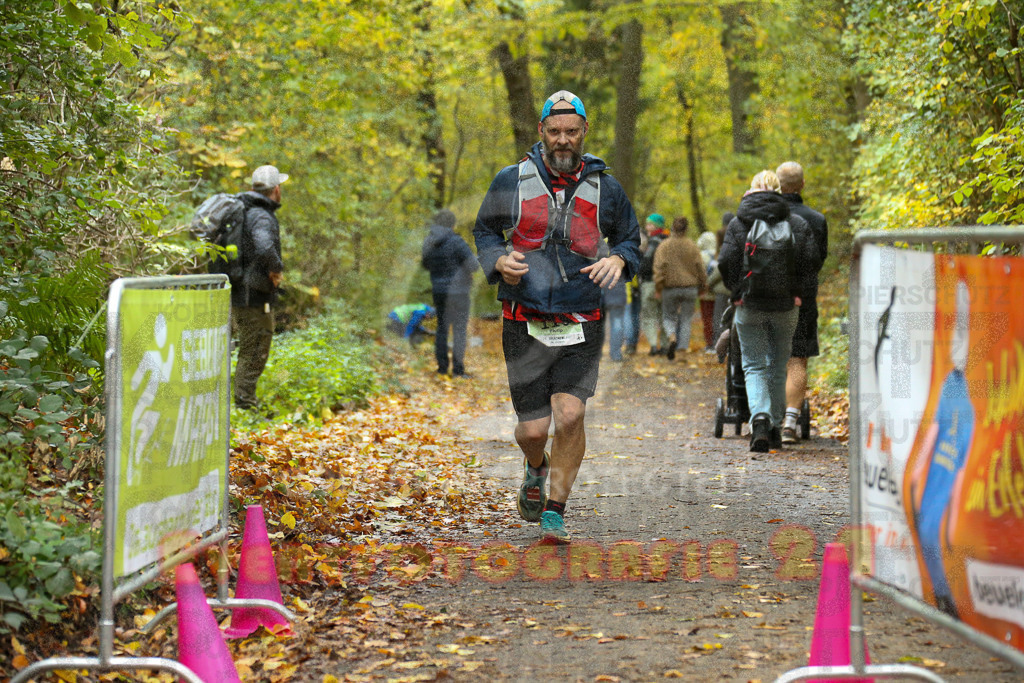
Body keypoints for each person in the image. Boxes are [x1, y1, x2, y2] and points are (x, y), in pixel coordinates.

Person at [473, 89, 641, 543]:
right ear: (541, 132)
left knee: (569, 416)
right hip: (523, 317)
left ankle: (555, 511)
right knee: (532, 430)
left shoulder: (607, 187)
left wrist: (619, 259)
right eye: (554, 132)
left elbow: (630, 238)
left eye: (571, 131)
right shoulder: (511, 179)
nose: (563, 140)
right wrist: (497, 260)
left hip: (581, 317)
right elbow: (485, 231)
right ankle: (536, 466)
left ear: (585, 131)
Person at [718, 170, 816, 453]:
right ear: (779, 191)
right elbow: (809, 263)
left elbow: (726, 261)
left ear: (751, 190)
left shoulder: (738, 223)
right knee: (778, 363)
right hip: (786, 306)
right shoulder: (796, 223)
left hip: (749, 305)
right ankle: (773, 424)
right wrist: (798, 294)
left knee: (753, 364)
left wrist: (737, 291)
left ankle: (759, 419)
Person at [776, 161, 829, 443]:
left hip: (765, 297)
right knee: (797, 358)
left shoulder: (763, 218)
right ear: (802, 185)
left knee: (769, 357)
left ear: (777, 185)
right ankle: (790, 422)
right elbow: (818, 261)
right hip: (803, 299)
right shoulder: (816, 220)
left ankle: (765, 416)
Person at [232, 164, 286, 411]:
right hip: (252, 295)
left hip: (241, 291)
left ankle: (245, 402)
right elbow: (264, 246)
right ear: (276, 189)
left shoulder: (246, 211)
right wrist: (276, 269)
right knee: (255, 349)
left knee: (251, 347)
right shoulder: (262, 215)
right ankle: (245, 406)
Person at [421, 208, 479, 377]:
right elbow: (474, 265)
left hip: (439, 291)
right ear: (452, 225)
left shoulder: (428, 242)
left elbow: (425, 264)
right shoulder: (456, 241)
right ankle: (458, 371)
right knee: (459, 330)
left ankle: (442, 368)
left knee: (442, 328)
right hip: (459, 292)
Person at [653, 216, 707, 360]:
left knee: (668, 317)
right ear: (686, 229)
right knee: (686, 319)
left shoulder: (664, 246)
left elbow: (658, 268)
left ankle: (672, 337)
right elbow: (700, 268)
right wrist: (703, 286)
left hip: (669, 288)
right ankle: (682, 351)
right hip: (690, 288)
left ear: (672, 227)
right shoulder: (692, 246)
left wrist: (658, 287)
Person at [638, 214, 670, 354]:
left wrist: (640, 271)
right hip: (666, 284)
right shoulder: (669, 241)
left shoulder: (653, 243)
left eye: (649, 224)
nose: (647, 227)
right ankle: (664, 345)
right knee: (664, 316)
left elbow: (646, 263)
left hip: (650, 283)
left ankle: (653, 345)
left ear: (657, 226)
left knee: (649, 316)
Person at [707, 213, 734, 347]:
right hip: (734, 289)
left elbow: (720, 269)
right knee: (731, 319)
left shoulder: (724, 248)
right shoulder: (738, 241)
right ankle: (730, 344)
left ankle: (717, 344)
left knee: (719, 318)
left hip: (721, 289)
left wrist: (708, 282)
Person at [696, 226, 719, 353]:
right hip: (717, 292)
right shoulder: (718, 254)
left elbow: (697, 274)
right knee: (718, 317)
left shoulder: (700, 256)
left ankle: (709, 343)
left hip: (704, 293)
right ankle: (718, 341)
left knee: (707, 318)